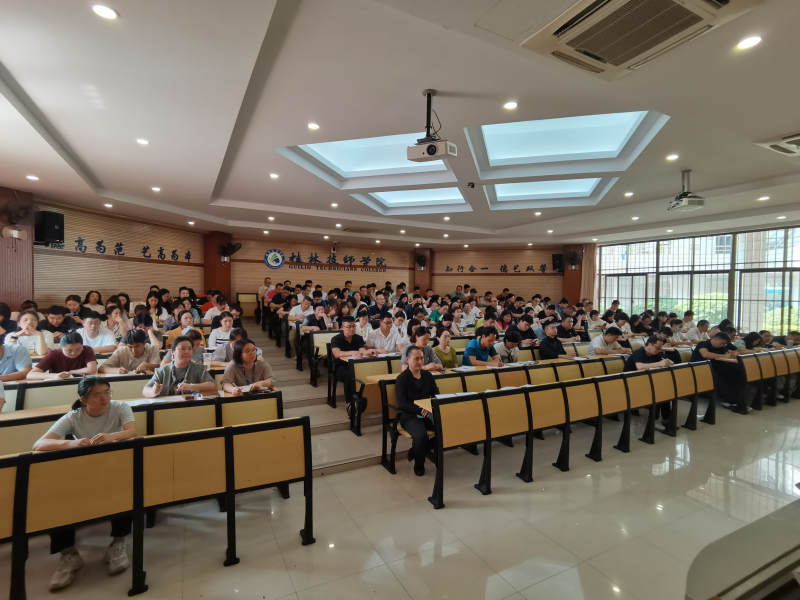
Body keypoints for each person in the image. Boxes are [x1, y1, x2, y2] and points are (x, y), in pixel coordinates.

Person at [32, 377, 135, 590]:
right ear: (84, 399)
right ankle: (69, 554)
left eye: (107, 392)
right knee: (56, 500)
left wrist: (111, 437)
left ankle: (118, 543)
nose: (105, 398)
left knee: (125, 488)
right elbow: (39, 444)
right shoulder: (74, 416)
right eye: (97, 395)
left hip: (114, 467)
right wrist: (73, 443)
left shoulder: (120, 407)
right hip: (82, 471)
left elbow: (131, 432)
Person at [395, 346, 438, 476]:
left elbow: (436, 394)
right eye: (416, 359)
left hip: (428, 412)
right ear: (408, 360)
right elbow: (402, 403)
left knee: (445, 430)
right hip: (410, 415)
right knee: (421, 436)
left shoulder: (427, 375)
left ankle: (416, 450)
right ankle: (419, 463)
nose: (420, 361)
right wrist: (421, 409)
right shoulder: (402, 378)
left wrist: (428, 408)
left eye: (421, 358)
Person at [330, 316, 377, 416]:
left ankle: (362, 399)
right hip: (341, 366)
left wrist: (369, 351)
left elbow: (362, 350)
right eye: (348, 327)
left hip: (356, 366)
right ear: (342, 327)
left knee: (367, 373)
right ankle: (351, 403)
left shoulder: (358, 338)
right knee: (350, 375)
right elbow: (337, 354)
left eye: (353, 326)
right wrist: (352, 352)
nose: (351, 329)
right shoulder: (336, 339)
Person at [144, 336, 217, 397]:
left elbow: (213, 386)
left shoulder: (199, 369)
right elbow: (145, 390)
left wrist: (191, 387)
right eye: (183, 348)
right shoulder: (162, 371)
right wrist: (153, 391)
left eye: (190, 349)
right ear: (172, 352)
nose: (187, 352)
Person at [691, 332, 742, 409]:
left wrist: (735, 352)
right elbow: (705, 354)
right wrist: (724, 356)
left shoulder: (720, 347)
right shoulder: (703, 344)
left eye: (724, 344)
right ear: (715, 339)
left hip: (714, 367)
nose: (723, 345)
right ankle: (728, 400)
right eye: (722, 343)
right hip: (700, 368)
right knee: (720, 377)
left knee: (734, 373)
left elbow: (728, 352)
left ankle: (736, 399)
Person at [27, 332, 98, 379]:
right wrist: (55, 376)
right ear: (60, 347)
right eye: (68, 351)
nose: (74, 353)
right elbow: (30, 375)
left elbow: (92, 370)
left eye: (79, 349)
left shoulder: (87, 350)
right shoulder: (53, 354)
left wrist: (71, 372)